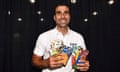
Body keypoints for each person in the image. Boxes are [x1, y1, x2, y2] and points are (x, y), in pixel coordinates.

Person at [32, 3, 90, 72]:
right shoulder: (44, 36)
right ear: (54, 17)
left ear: (69, 16)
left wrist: (84, 66)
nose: (63, 16)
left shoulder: (78, 37)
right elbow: (35, 61)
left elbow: (83, 60)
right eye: (59, 13)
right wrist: (46, 63)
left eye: (66, 12)